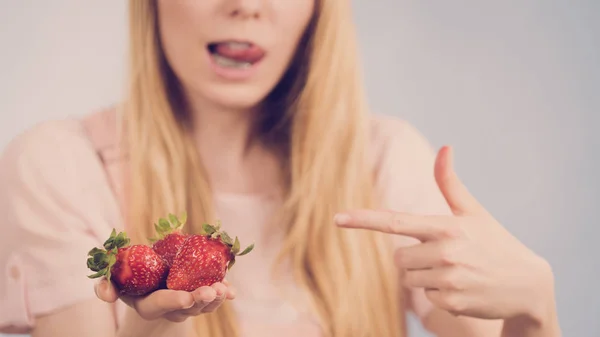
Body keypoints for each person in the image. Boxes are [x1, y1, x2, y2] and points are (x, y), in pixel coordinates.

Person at [0, 1, 561, 337]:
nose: (247, 3)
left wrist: (535, 308)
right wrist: (148, 329)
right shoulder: (60, 166)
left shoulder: (383, 161)